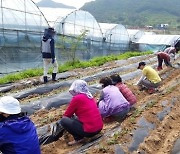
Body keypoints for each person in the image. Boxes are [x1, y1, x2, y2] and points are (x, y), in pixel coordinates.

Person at [60, 80, 103, 146]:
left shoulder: (77, 98)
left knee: (63, 120)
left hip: (90, 131)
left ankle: (78, 138)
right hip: (99, 128)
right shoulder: (89, 96)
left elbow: (67, 115)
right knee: (77, 117)